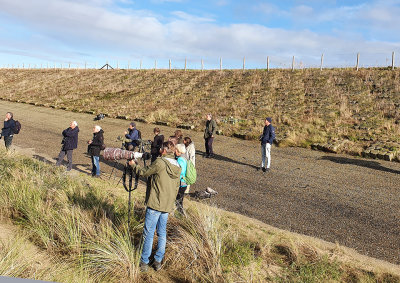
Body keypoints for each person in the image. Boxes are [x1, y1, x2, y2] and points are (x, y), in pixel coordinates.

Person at [128, 141, 181, 272]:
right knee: (162, 233)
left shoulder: (160, 162)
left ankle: (144, 261)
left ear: (163, 150)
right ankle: (157, 260)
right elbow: (176, 187)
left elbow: (143, 172)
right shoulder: (177, 165)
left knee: (149, 233)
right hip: (167, 204)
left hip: (156, 202)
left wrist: (133, 165)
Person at [175, 144, 188, 215]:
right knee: (179, 200)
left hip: (181, 183)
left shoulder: (180, 159)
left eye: (176, 150)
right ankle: (180, 214)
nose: (174, 151)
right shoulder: (185, 157)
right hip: (183, 182)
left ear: (179, 151)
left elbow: (181, 171)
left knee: (178, 200)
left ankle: (180, 214)